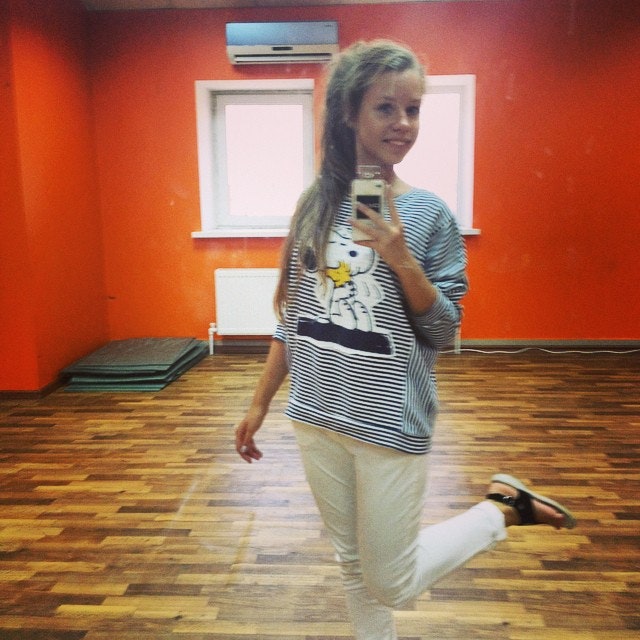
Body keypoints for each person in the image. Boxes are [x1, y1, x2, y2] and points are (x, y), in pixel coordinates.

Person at [234, 40, 576, 640]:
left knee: (390, 580)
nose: (404, 124)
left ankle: (501, 509)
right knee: (352, 566)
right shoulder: (315, 205)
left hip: (389, 420)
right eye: (386, 108)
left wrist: (399, 257)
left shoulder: (428, 215)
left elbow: (444, 329)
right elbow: (296, 316)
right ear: (349, 113)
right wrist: (259, 402)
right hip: (315, 414)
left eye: (413, 109)